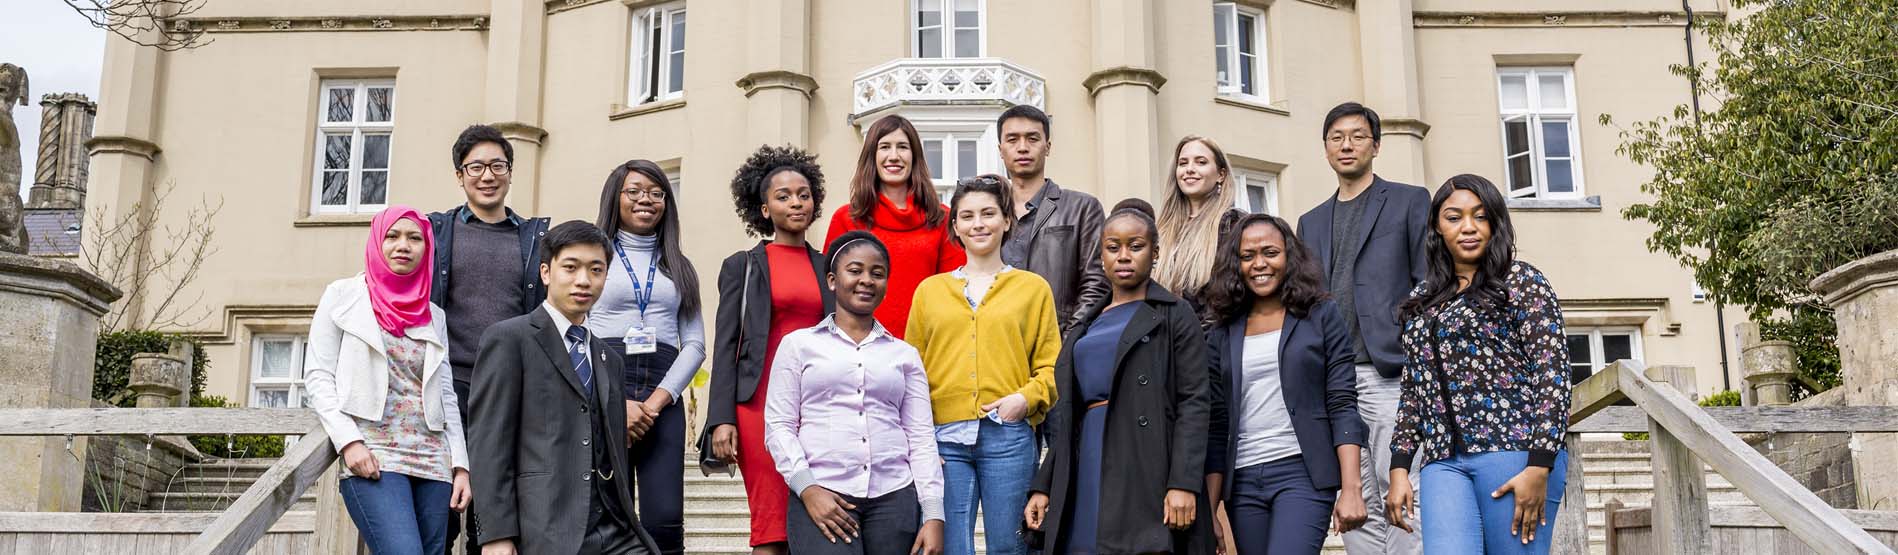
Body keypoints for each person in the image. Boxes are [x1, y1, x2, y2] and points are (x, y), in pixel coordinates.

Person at [1387, 175, 1572, 554]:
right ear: (1437, 227)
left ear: (1495, 223)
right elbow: (1413, 389)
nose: (1468, 227)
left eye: (1480, 216)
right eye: (1454, 217)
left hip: (1514, 454)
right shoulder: (1422, 299)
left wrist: (1539, 465)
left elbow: (1553, 376)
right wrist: (1399, 465)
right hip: (1442, 462)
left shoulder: (1522, 281)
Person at [1025, 199, 1213, 554]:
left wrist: (1184, 482)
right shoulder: (1084, 324)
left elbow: (1195, 402)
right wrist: (1045, 484)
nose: (1123, 256)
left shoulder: (1175, 314)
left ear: (1154, 253)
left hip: (1146, 462)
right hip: (1086, 461)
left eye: (1135, 246)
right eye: (1113, 248)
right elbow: (1070, 416)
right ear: (1101, 256)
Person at [467, 221, 660, 555]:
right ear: (546, 272)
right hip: (546, 530)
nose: (583, 280)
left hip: (617, 533)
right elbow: (489, 443)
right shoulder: (509, 339)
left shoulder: (610, 359)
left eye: (596, 270)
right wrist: (496, 535)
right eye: (570, 268)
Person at [1293, 102, 1430, 555]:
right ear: (1325, 149)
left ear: (1376, 144)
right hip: (1334, 383)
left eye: (1356, 135)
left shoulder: (1409, 200)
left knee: (1402, 495)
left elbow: (1427, 283)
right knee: (1353, 506)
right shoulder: (1310, 223)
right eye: (1336, 137)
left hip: (1389, 373)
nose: (1346, 144)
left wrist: (1414, 356)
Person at [764, 231, 947, 555]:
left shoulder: (904, 355)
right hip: (823, 493)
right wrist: (808, 489)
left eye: (877, 274)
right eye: (855, 270)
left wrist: (933, 514)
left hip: (895, 497)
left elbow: (920, 436)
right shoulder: (799, 345)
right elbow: (778, 426)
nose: (867, 280)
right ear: (833, 280)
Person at [304, 206, 472, 555]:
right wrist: (349, 442)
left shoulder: (433, 314)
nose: (403, 245)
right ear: (377, 242)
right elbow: (318, 375)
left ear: (427, 247)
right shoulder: (343, 296)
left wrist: (460, 466)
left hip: (432, 460)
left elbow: (445, 393)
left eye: (415, 238)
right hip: (376, 454)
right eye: (392, 236)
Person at [906, 175, 1060, 555]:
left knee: (1010, 546)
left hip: (1008, 436)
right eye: (968, 216)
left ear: (1007, 220)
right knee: (950, 548)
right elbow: (910, 374)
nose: (979, 223)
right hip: (943, 441)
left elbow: (1051, 367)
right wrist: (920, 441)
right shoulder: (930, 291)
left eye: (989, 213)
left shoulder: (1033, 288)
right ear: (955, 226)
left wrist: (1023, 400)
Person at [1200, 213, 1371, 554]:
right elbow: (1217, 424)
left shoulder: (1321, 315)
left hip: (1302, 473)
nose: (1259, 264)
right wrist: (1211, 511)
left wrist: (1352, 487)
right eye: (1247, 256)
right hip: (1243, 479)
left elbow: (1342, 402)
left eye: (1270, 252)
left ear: (1289, 256)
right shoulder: (1221, 332)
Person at [703, 145, 835, 555]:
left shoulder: (830, 265)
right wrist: (720, 419)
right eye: (783, 196)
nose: (796, 202)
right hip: (758, 407)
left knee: (816, 520)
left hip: (817, 406)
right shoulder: (742, 266)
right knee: (771, 523)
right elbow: (726, 346)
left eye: (803, 194)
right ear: (763, 210)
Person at [426, 124, 550, 554]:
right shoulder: (435, 232)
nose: (487, 175)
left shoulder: (534, 238)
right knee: (439, 512)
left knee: (495, 517)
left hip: (509, 387)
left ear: (511, 173)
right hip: (447, 387)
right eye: (475, 166)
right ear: (460, 176)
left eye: (498, 165)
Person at [587, 160, 704, 555]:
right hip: (603, 389)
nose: (646, 200)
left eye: (657, 193)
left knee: (664, 517)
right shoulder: (592, 256)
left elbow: (695, 345)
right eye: (634, 191)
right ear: (615, 197)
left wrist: (653, 405)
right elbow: (574, 330)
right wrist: (614, 403)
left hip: (662, 393)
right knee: (606, 512)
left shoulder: (679, 266)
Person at [825, 114, 966, 338]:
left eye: (902, 147)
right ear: (872, 155)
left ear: (914, 156)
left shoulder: (942, 218)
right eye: (884, 147)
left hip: (925, 344)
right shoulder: (846, 218)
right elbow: (830, 293)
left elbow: (954, 292)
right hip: (857, 345)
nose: (894, 156)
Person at [992, 105, 1108, 329]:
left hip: (1058, 340)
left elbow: (1096, 284)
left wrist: (1066, 344)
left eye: (1032, 139)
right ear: (1001, 149)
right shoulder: (988, 213)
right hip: (998, 343)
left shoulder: (1082, 208)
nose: (1023, 147)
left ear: (1048, 147)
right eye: (1012, 139)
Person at [1155, 135, 1248, 311]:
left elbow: (1233, 295)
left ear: (1221, 174)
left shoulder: (1233, 225)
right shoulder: (1162, 229)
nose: (1189, 169)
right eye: (1183, 163)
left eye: (1201, 162)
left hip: (1210, 334)